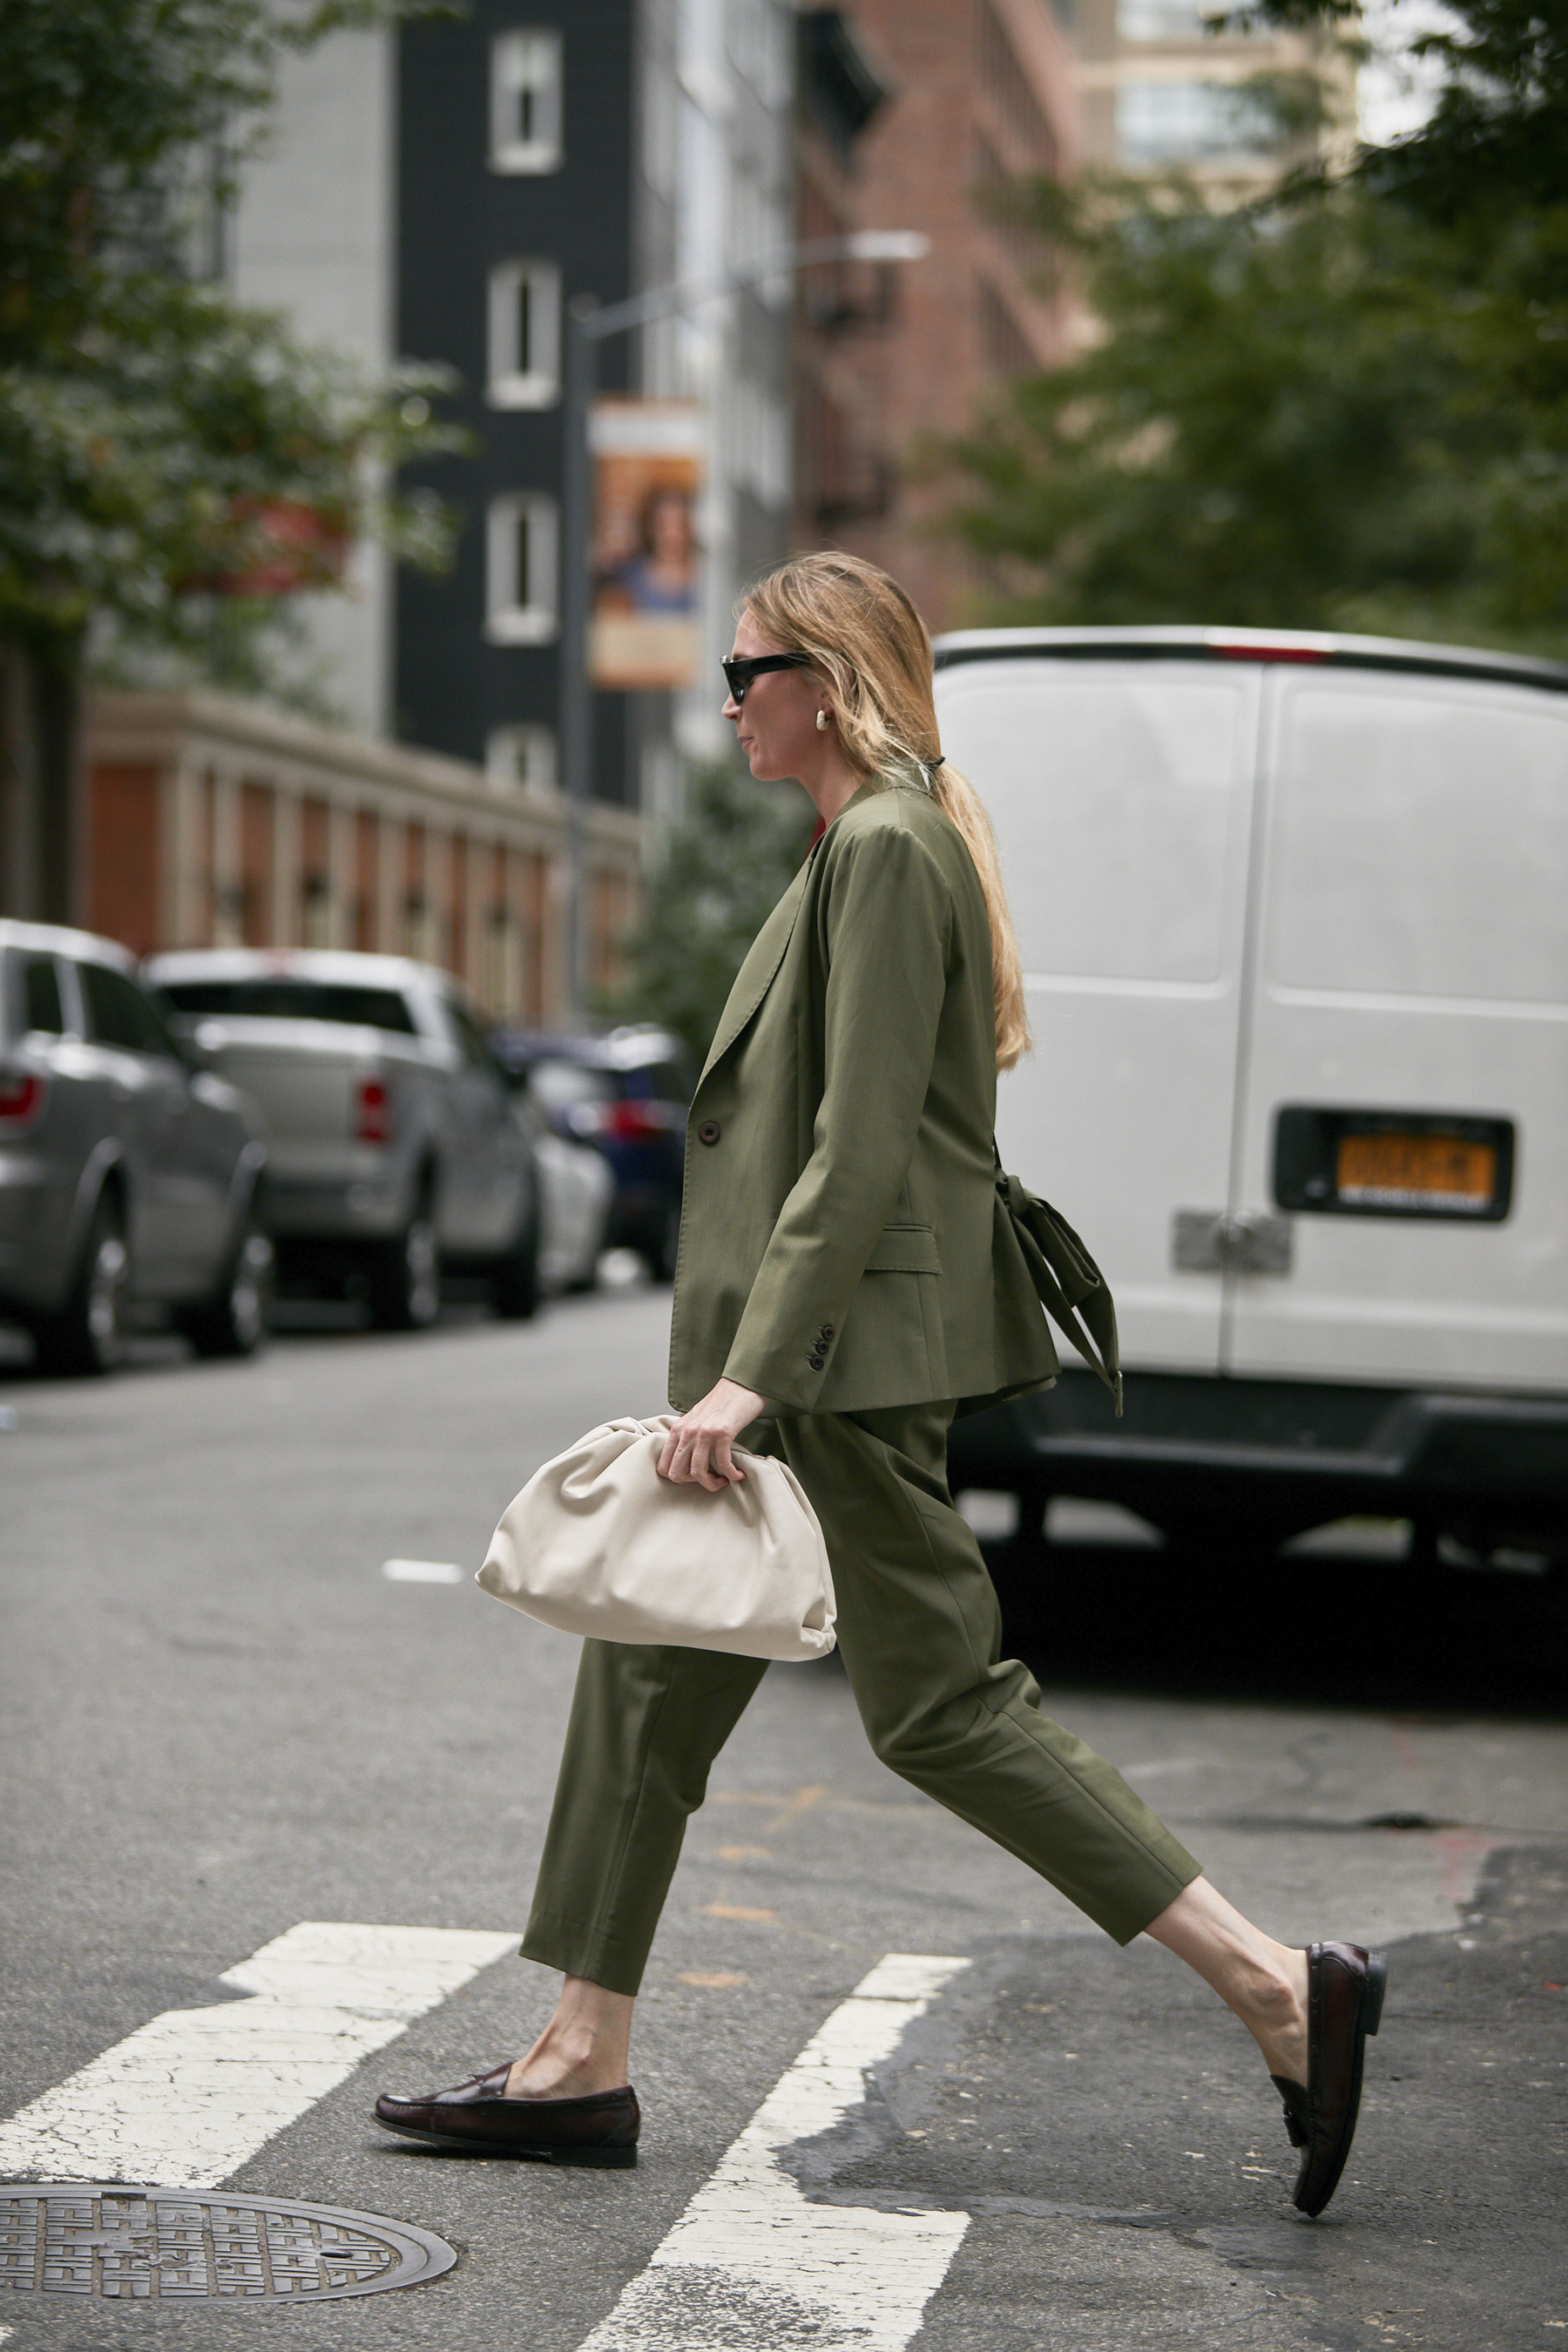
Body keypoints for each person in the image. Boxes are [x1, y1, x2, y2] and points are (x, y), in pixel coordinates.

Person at [375, 551, 1386, 2213]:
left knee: (943, 1708)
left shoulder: (892, 848)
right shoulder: (862, 842)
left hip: (831, 1374)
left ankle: (1279, 1986)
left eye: (747, 667)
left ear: (824, 680)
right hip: (798, 1363)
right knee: (646, 1664)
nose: (727, 700)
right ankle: (578, 2055)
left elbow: (853, 1155)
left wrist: (750, 1384)